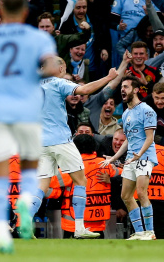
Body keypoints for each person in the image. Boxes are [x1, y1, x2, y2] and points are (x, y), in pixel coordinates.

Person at [0, 0, 57, 253]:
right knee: (29, 169)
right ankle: (25, 212)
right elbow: (52, 69)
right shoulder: (39, 37)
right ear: (26, 12)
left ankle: (3, 234)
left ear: (0, 11)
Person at [28, 57, 119, 239]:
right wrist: (108, 78)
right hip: (60, 140)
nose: (63, 69)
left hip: (40, 143)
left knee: (41, 186)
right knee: (81, 181)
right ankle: (79, 228)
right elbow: (84, 90)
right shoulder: (58, 82)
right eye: (62, 66)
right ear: (59, 67)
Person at [101, 76, 158, 240]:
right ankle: (140, 232)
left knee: (141, 192)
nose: (122, 90)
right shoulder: (125, 113)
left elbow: (150, 138)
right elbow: (127, 140)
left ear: (135, 89)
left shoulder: (147, 110)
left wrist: (139, 154)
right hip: (131, 158)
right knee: (125, 196)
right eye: (121, 87)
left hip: (144, 156)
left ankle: (150, 232)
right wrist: (113, 158)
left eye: (125, 87)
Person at [61, 134, 119, 239]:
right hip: (98, 223)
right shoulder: (105, 165)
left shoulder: (71, 167)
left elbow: (51, 183)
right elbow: (123, 176)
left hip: (73, 224)